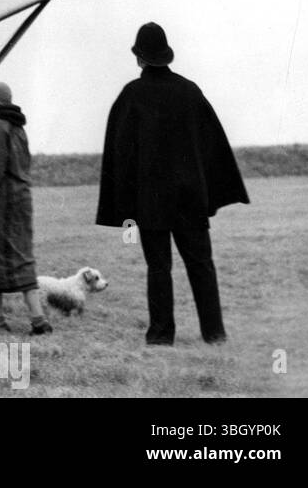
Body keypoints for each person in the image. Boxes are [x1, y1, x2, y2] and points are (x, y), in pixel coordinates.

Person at [96, 23, 248, 346]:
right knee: (201, 264)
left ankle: (161, 336)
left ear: (139, 57)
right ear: (166, 55)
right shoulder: (190, 91)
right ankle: (215, 333)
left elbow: (121, 157)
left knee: (159, 267)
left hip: (151, 202)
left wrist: (125, 208)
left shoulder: (131, 96)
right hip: (190, 198)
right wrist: (211, 193)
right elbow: (212, 145)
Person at [0, 82, 51, 335]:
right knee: (22, 258)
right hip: (21, 201)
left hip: (0, 202)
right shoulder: (18, 128)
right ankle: (38, 319)